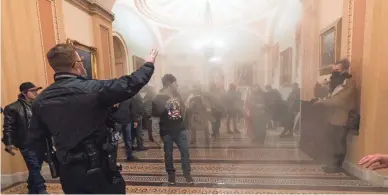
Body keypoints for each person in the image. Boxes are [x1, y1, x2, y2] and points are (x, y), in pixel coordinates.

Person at [27, 43, 157, 194]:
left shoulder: (40, 100)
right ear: (76, 65)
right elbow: (130, 83)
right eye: (80, 62)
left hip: (69, 170)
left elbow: (35, 141)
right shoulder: (93, 89)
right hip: (99, 167)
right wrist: (149, 64)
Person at [2, 82, 47, 194]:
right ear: (24, 93)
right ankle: (42, 190)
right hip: (25, 143)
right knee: (35, 167)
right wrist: (8, 143)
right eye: (32, 91)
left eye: (36, 90)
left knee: (35, 168)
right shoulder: (12, 108)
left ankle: (32, 191)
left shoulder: (38, 106)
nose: (36, 92)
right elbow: (8, 127)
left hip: (40, 142)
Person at [315, 59, 356, 173]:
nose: (334, 72)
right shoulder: (334, 82)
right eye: (333, 70)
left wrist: (322, 102)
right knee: (332, 141)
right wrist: (323, 83)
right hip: (331, 117)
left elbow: (339, 101)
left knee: (339, 141)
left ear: (345, 70)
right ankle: (331, 164)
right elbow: (320, 92)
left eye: (337, 70)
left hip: (342, 117)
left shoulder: (349, 83)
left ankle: (337, 166)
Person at [151, 74, 194, 185]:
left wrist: (185, 126)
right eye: (175, 83)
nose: (177, 85)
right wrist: (156, 135)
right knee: (168, 154)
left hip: (180, 129)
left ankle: (187, 174)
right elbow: (155, 119)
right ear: (170, 84)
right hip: (167, 131)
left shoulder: (177, 94)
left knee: (185, 152)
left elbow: (183, 111)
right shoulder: (158, 98)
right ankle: (171, 174)